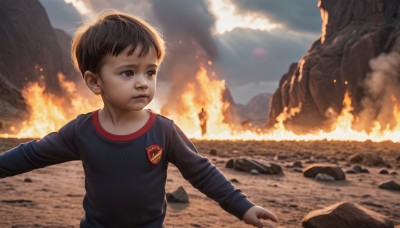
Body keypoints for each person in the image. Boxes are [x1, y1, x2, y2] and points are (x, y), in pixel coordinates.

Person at [0, 10, 278, 227]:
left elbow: (202, 172)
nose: (143, 83)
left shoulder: (164, 131)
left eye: (151, 72)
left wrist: (242, 206)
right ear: (95, 82)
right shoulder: (81, 131)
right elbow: (32, 154)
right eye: (128, 73)